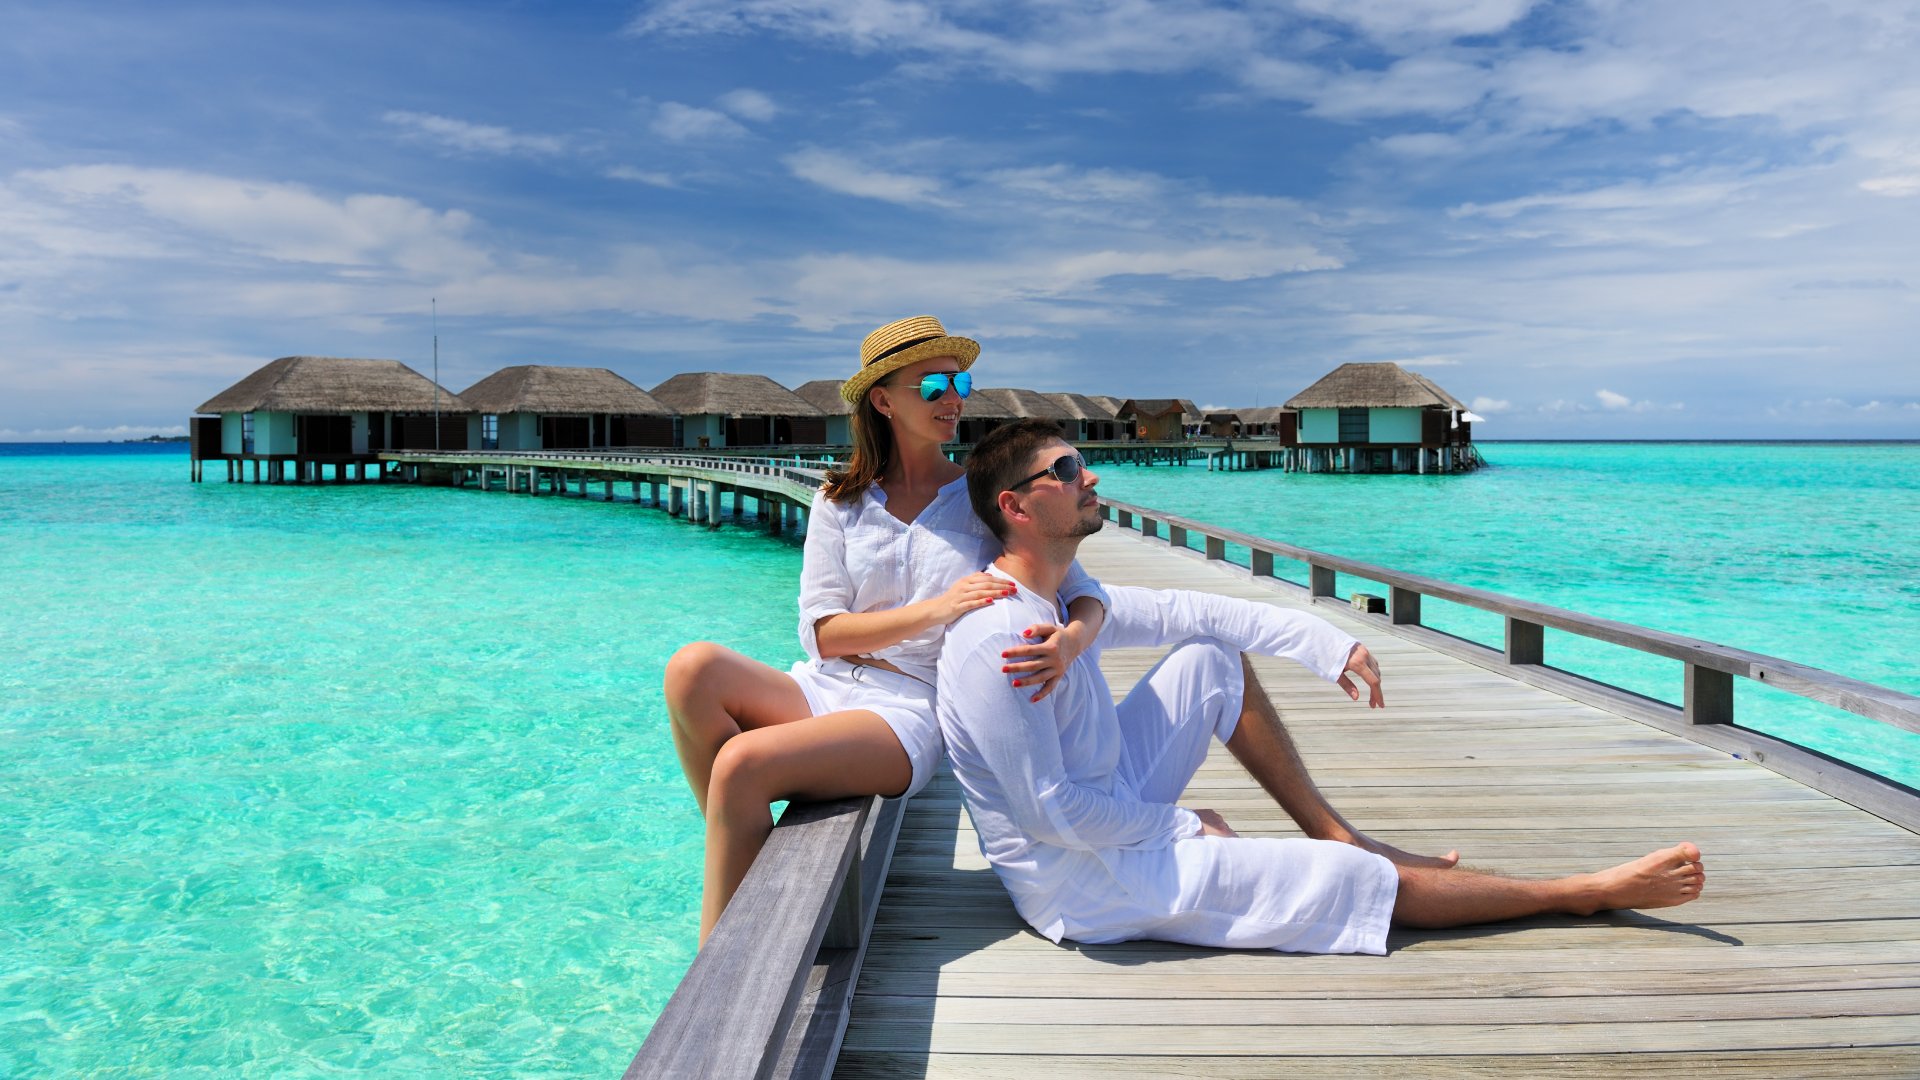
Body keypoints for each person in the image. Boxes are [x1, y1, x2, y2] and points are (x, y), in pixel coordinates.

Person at [937, 419, 1706, 954]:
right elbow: (1050, 816)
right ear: (1016, 506)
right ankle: (1578, 891)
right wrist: (1181, 824)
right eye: (1066, 471)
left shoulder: (1063, 600)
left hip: (1105, 805)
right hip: (1082, 882)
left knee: (1210, 655)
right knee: (1357, 881)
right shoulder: (1005, 642)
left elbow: (1194, 610)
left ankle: (1332, 829)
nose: (1091, 475)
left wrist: (1326, 644)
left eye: (1082, 462)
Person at [663, 317, 1112, 945]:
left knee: (739, 763)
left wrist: (1070, 642)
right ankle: (748, 874)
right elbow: (822, 633)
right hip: (826, 683)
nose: (953, 398)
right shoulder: (839, 499)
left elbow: (1085, 594)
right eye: (933, 385)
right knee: (691, 670)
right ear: (883, 400)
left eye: (961, 383)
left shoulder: (982, 497)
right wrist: (937, 609)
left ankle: (716, 960)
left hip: (910, 708)